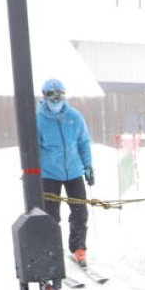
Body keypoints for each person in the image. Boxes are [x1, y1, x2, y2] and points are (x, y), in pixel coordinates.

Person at [36, 78, 94, 266]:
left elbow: (83, 143)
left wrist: (88, 166)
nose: (56, 99)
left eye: (59, 94)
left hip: (74, 172)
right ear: (44, 96)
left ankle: (78, 248)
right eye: (51, 94)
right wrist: (32, 173)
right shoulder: (38, 119)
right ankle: (52, 250)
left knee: (80, 212)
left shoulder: (74, 117)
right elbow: (33, 148)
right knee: (51, 215)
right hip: (49, 174)